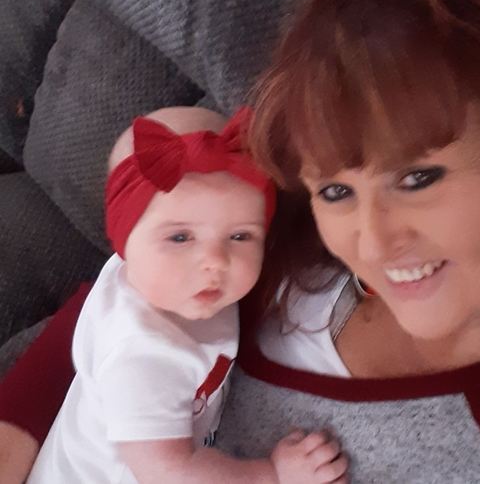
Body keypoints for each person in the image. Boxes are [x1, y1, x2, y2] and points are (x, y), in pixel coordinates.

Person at [2, 0, 480, 483]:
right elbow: (120, 301)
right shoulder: (273, 239)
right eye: (336, 191)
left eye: (417, 178)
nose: (372, 243)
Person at [25, 106, 348, 484]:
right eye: (180, 237)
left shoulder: (157, 276)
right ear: (124, 240)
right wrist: (274, 475)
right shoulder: (142, 355)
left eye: (239, 235)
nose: (215, 261)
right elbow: (171, 473)